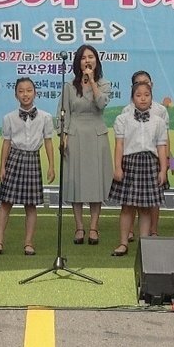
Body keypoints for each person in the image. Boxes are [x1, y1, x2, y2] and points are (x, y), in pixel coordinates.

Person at [0, 77, 55, 255]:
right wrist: (2, 166)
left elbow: (48, 142)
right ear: (16, 95)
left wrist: (51, 166)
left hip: (33, 159)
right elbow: (6, 143)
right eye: (21, 91)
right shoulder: (9, 118)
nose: (25, 94)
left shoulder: (45, 117)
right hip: (14, 158)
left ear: (35, 93)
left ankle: (28, 243)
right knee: (6, 202)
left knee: (31, 204)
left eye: (29, 90)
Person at [59, 44, 113, 245]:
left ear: (96, 61)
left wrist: (92, 82)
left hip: (96, 135)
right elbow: (63, 112)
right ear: (78, 62)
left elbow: (101, 103)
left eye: (91, 57)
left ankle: (94, 228)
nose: (87, 60)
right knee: (77, 182)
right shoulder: (69, 86)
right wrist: (63, 135)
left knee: (95, 182)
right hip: (75, 134)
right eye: (83, 58)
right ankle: (79, 227)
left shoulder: (104, 84)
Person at [108, 80, 169, 257]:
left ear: (151, 97)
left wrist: (163, 169)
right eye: (138, 95)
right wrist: (118, 167)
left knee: (146, 208)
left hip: (150, 163)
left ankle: (144, 244)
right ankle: (123, 243)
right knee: (127, 207)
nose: (143, 98)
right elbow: (119, 145)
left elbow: (161, 147)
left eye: (146, 95)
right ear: (132, 98)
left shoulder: (158, 121)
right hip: (130, 163)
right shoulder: (122, 119)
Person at [130, 69, 170, 238]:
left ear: (151, 85)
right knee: (131, 198)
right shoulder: (126, 112)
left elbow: (164, 138)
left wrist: (166, 160)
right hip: (133, 159)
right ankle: (130, 231)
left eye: (146, 83)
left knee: (153, 199)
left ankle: (153, 230)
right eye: (138, 83)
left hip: (154, 159)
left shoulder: (160, 110)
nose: (143, 86)